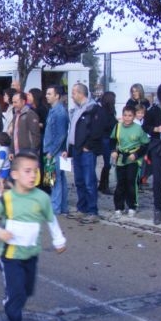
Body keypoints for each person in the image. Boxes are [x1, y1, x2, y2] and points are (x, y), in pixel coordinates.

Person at [0, 151, 67, 321]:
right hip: (10, 255)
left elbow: (51, 219)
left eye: (35, 171)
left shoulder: (41, 198)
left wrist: (58, 240)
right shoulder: (7, 199)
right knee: (17, 297)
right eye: (27, 171)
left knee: (26, 292)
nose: (32, 175)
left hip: (31, 255)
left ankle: (11, 301)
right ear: (15, 174)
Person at [63, 83, 104, 224]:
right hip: (76, 149)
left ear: (81, 94)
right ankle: (82, 209)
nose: (72, 95)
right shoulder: (76, 109)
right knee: (79, 181)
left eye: (74, 92)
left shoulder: (93, 109)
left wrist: (89, 146)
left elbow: (98, 130)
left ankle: (93, 211)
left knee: (89, 181)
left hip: (86, 150)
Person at [110, 105, 150, 218]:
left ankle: (132, 206)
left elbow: (145, 144)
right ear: (122, 115)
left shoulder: (138, 129)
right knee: (120, 183)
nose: (127, 118)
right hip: (121, 159)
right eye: (125, 115)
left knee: (131, 183)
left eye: (130, 116)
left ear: (134, 116)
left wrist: (136, 155)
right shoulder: (117, 127)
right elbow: (112, 140)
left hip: (133, 160)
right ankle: (119, 207)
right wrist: (114, 151)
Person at [142, 82, 161, 225]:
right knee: (158, 180)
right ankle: (157, 210)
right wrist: (155, 129)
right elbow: (145, 126)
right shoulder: (153, 110)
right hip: (157, 147)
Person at [43, 85, 70, 215]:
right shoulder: (53, 110)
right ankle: (62, 206)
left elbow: (60, 135)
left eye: (49, 93)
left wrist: (51, 152)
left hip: (53, 152)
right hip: (53, 151)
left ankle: (55, 208)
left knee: (54, 180)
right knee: (58, 179)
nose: (46, 96)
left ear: (57, 96)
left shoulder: (59, 112)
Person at [97, 92, 118, 196]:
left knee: (107, 164)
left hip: (107, 138)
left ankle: (102, 184)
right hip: (107, 139)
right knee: (107, 164)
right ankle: (104, 185)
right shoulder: (106, 112)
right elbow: (108, 125)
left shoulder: (104, 111)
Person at [10, 91, 41, 155]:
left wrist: (33, 151)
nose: (13, 105)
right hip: (17, 152)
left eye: (15, 102)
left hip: (28, 152)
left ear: (23, 102)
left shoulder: (30, 114)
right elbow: (14, 134)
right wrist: (12, 151)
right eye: (12, 102)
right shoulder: (16, 115)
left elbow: (35, 135)